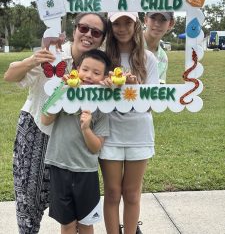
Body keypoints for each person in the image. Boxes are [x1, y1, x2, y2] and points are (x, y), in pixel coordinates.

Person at [3, 12, 107, 234]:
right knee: (30, 200)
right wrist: (34, 59)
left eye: (96, 32)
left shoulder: (98, 66)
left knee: (77, 211)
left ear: (101, 38)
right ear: (74, 30)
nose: (88, 35)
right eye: (83, 28)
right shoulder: (53, 54)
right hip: (37, 130)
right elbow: (9, 76)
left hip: (73, 140)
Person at [99, 12, 159, 234]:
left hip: (139, 133)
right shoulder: (103, 57)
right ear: (110, 26)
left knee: (132, 193)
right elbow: (92, 90)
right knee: (113, 192)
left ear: (136, 25)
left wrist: (133, 88)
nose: (122, 28)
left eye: (127, 23)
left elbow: (151, 102)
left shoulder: (148, 58)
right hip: (110, 131)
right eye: (116, 23)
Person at [41, 49, 111, 234]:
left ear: (104, 77)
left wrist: (86, 128)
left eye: (96, 73)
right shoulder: (63, 91)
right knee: (67, 223)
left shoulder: (102, 107)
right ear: (76, 69)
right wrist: (61, 93)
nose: (89, 76)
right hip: (59, 167)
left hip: (85, 172)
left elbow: (96, 147)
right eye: (85, 69)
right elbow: (45, 119)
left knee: (87, 223)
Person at [144, 12, 175, 84]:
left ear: (171, 24)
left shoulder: (163, 57)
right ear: (145, 20)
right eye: (153, 18)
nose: (157, 24)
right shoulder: (130, 44)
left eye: (163, 19)